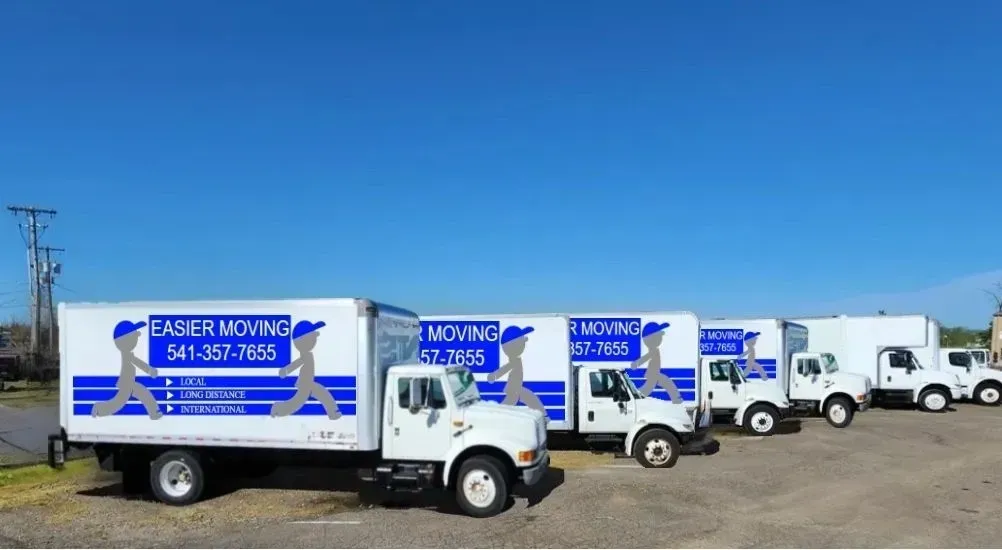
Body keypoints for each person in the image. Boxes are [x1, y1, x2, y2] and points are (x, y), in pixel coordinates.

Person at [270, 320, 341, 419]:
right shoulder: (306, 355)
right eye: (312, 337)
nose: (315, 339)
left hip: (308, 382)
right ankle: (277, 409)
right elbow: (296, 363)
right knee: (297, 403)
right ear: (302, 340)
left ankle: (334, 413)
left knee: (322, 394)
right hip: (305, 383)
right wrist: (285, 370)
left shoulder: (308, 354)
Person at [92, 320, 162, 420]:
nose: (136, 338)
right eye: (134, 336)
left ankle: (154, 412)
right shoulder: (128, 355)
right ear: (125, 340)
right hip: (127, 384)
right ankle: (98, 408)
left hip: (129, 383)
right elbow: (138, 363)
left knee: (138, 395)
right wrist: (150, 370)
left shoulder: (128, 353)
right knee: (118, 404)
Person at [487, 325, 546, 415]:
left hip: (516, 388)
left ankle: (543, 416)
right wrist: (494, 375)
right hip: (514, 388)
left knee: (530, 398)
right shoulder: (514, 361)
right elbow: (504, 369)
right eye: (521, 342)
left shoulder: (516, 359)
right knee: (512, 403)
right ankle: (493, 415)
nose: (523, 344)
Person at [630, 321, 683, 404]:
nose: (661, 338)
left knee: (667, 383)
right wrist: (637, 363)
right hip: (653, 373)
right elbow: (646, 357)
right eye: (659, 336)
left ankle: (677, 399)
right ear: (651, 338)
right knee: (649, 389)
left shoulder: (655, 349)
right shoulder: (654, 350)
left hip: (655, 373)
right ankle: (677, 399)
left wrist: (637, 363)